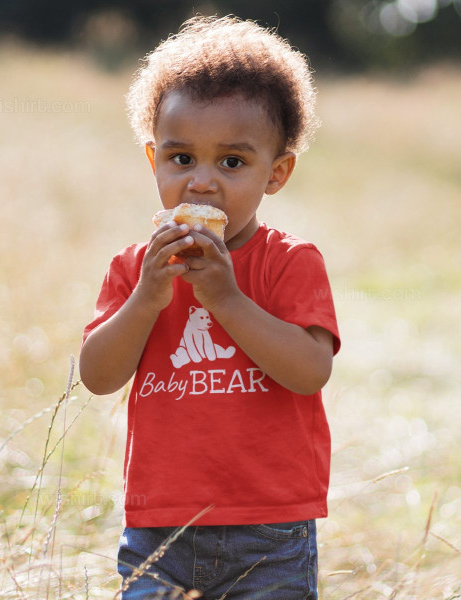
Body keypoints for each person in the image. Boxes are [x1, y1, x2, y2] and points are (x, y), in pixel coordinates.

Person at [79, 15, 341, 600]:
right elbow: (97, 377)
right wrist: (148, 298)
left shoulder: (290, 263)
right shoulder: (135, 269)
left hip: (270, 528)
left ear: (276, 173)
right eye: (180, 159)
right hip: (160, 527)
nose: (201, 183)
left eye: (231, 162)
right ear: (153, 161)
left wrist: (225, 296)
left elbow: (309, 370)